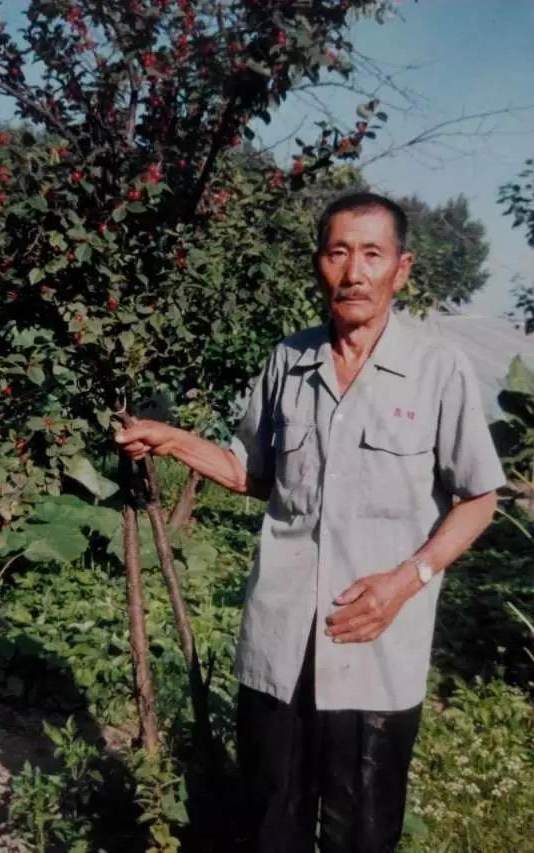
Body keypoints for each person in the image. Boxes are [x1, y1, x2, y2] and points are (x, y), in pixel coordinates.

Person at [115, 192, 506, 853]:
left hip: (374, 644)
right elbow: (253, 472)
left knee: (364, 833)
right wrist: (172, 439)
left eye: (372, 254)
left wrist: (407, 579)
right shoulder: (287, 362)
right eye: (337, 252)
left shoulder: (438, 370)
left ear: (402, 269)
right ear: (318, 264)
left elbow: (478, 498)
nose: (354, 271)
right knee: (271, 826)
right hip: (280, 640)